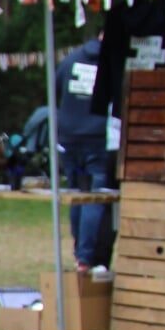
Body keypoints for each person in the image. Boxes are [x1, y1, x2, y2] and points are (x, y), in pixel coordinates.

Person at [55, 31, 115, 269]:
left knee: (76, 194)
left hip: (68, 136)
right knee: (95, 197)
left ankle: (79, 250)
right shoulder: (112, 63)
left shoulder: (70, 59)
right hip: (98, 136)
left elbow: (56, 91)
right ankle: (86, 257)